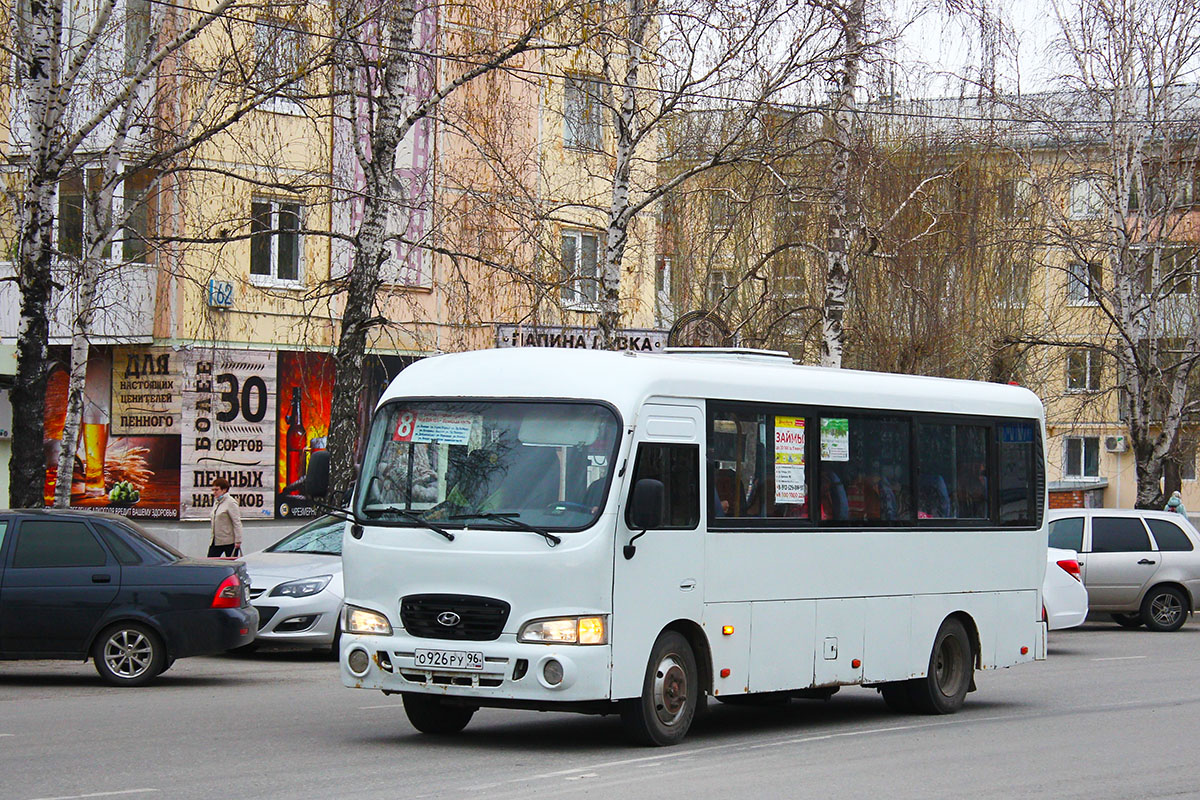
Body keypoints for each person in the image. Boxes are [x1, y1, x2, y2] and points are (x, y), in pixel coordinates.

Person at [209, 477, 243, 558]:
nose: (214, 492)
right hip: (216, 540)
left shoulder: (231, 502)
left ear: (224, 490)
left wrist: (238, 540)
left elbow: (237, 522)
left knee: (231, 563)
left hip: (229, 541)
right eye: (213, 490)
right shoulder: (217, 502)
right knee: (210, 562)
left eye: (217, 490)